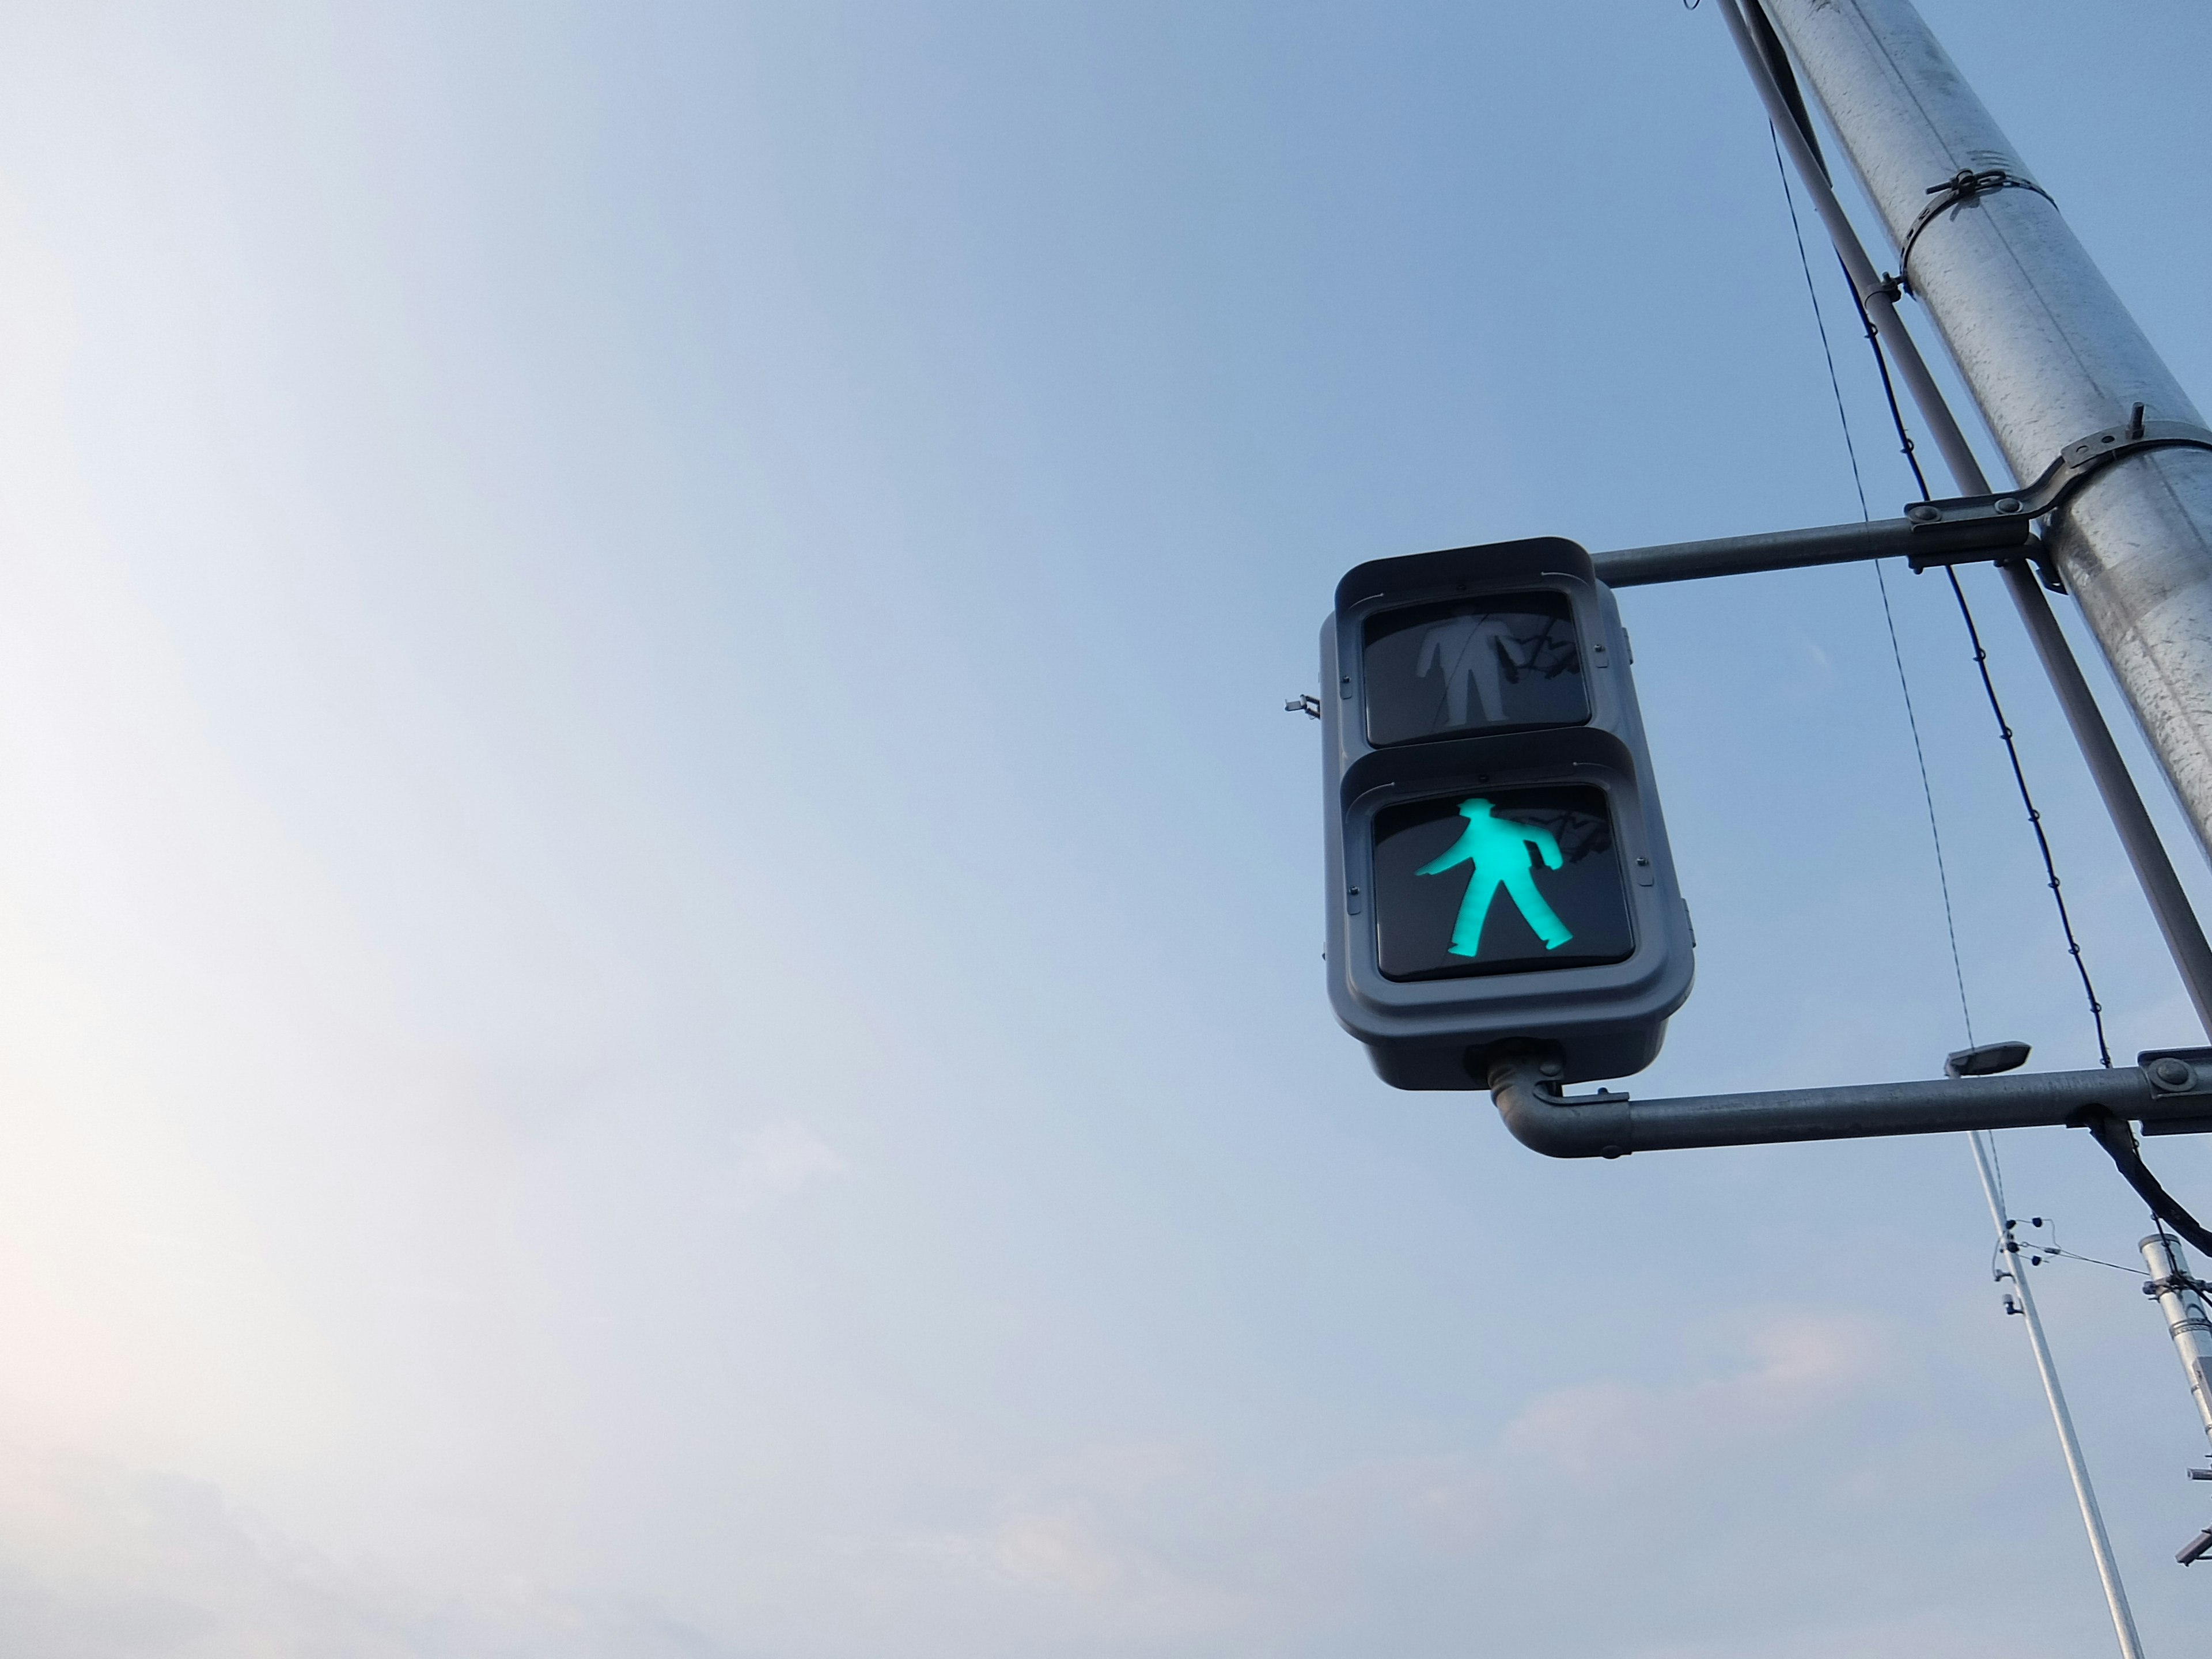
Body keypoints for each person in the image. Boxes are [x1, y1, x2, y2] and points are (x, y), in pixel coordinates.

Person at [1415, 797, 1574, 956]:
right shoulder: (1475, 832)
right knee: (1475, 907)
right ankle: (1465, 946)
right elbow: (1456, 855)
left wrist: (1553, 859)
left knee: (1526, 903)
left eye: (1465, 807)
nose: (1462, 810)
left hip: (1512, 869)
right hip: (1487, 872)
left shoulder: (1498, 828)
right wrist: (1429, 870)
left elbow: (1541, 834)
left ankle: (1556, 936)